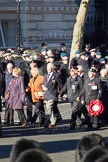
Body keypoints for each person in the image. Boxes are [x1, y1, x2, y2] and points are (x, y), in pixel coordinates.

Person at [42, 63, 63, 128]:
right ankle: (52, 120)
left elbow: (61, 85)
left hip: (52, 94)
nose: (49, 69)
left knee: (49, 108)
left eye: (50, 68)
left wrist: (62, 93)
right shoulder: (45, 75)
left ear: (52, 68)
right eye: (48, 68)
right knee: (49, 108)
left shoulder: (56, 75)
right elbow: (43, 84)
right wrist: (43, 87)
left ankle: (50, 122)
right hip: (46, 94)